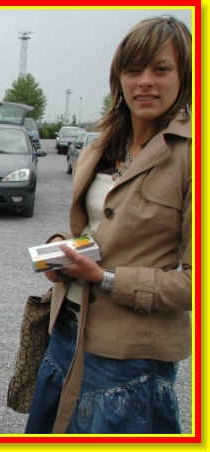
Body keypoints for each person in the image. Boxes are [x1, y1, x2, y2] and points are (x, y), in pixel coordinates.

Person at [26, 16, 192, 434]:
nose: (145, 82)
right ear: (119, 78)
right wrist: (63, 247)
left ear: (185, 75)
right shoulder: (101, 145)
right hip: (66, 329)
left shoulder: (194, 155)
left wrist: (105, 278)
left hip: (130, 358)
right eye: (133, 70)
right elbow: (100, 231)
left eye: (161, 69)